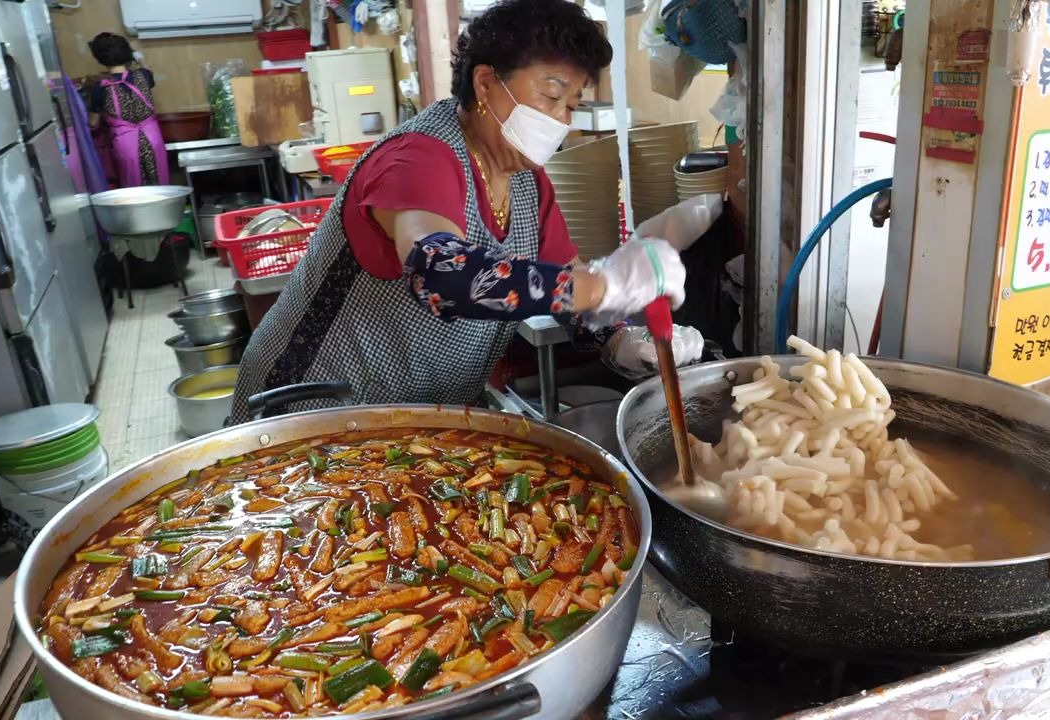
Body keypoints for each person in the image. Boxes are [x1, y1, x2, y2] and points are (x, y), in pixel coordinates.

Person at [228, 0, 686, 422]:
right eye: (551, 96)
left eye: (571, 105)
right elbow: (443, 275)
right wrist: (604, 284)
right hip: (317, 407)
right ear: (485, 83)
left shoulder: (528, 180)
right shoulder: (420, 156)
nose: (561, 120)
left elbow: (564, 289)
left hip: (425, 417)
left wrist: (620, 338)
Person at [87, 33, 168, 188]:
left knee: (134, 188)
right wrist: (138, 57)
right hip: (153, 137)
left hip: (126, 143)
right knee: (161, 184)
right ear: (128, 54)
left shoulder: (100, 87)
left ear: (99, 59)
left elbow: (93, 123)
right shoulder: (144, 76)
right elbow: (147, 68)